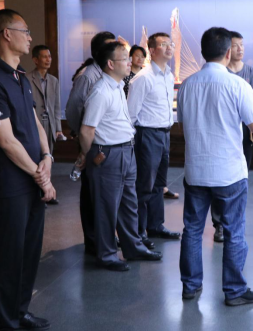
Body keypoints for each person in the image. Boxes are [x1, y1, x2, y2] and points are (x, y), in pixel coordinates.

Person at [177, 27, 253, 306]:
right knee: (234, 232)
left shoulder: (187, 84)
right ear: (228, 53)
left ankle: (190, 286)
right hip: (229, 173)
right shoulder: (237, 85)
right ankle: (234, 291)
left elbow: (182, 123)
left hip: (196, 170)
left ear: (203, 52)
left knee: (192, 229)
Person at [0, 9, 56, 331]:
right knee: (8, 255)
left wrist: (47, 155)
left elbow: (35, 121)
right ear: (6, 34)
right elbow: (6, 140)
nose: (30, 37)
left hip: (32, 177)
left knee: (29, 252)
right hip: (9, 184)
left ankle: (20, 311)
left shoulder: (20, 75)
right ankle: (4, 320)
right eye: (25, 30)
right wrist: (41, 174)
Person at [79, 41, 162, 271]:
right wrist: (87, 155)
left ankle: (132, 247)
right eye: (124, 58)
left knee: (129, 204)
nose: (129, 62)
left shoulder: (118, 86)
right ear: (110, 64)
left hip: (126, 150)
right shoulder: (101, 91)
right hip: (108, 154)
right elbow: (87, 130)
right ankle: (106, 255)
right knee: (106, 208)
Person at [66, 31, 116, 255]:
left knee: (104, 193)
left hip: (106, 142)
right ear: (97, 52)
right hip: (92, 142)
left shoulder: (108, 75)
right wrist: (83, 135)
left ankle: (104, 237)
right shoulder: (88, 76)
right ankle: (93, 240)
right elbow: (73, 109)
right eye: (109, 47)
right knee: (91, 192)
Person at [128, 32, 181, 242]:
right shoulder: (143, 77)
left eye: (171, 44)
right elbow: (131, 114)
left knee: (159, 184)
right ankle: (138, 233)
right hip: (147, 135)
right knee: (144, 186)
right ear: (152, 50)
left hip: (164, 134)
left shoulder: (168, 75)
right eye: (164, 44)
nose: (170, 47)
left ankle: (155, 226)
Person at [210, 30, 253, 243]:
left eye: (242, 45)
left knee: (240, 175)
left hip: (245, 131)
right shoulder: (218, 72)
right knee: (218, 178)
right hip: (221, 130)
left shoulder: (251, 71)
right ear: (226, 49)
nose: (240, 49)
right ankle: (219, 224)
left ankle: (232, 220)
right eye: (235, 45)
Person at [28, 45, 64, 205]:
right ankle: (37, 194)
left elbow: (56, 107)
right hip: (34, 123)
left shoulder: (53, 81)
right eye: (44, 56)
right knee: (36, 158)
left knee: (48, 158)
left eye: (49, 56)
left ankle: (48, 193)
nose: (48, 59)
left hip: (49, 124)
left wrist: (58, 129)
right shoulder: (27, 78)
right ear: (35, 60)